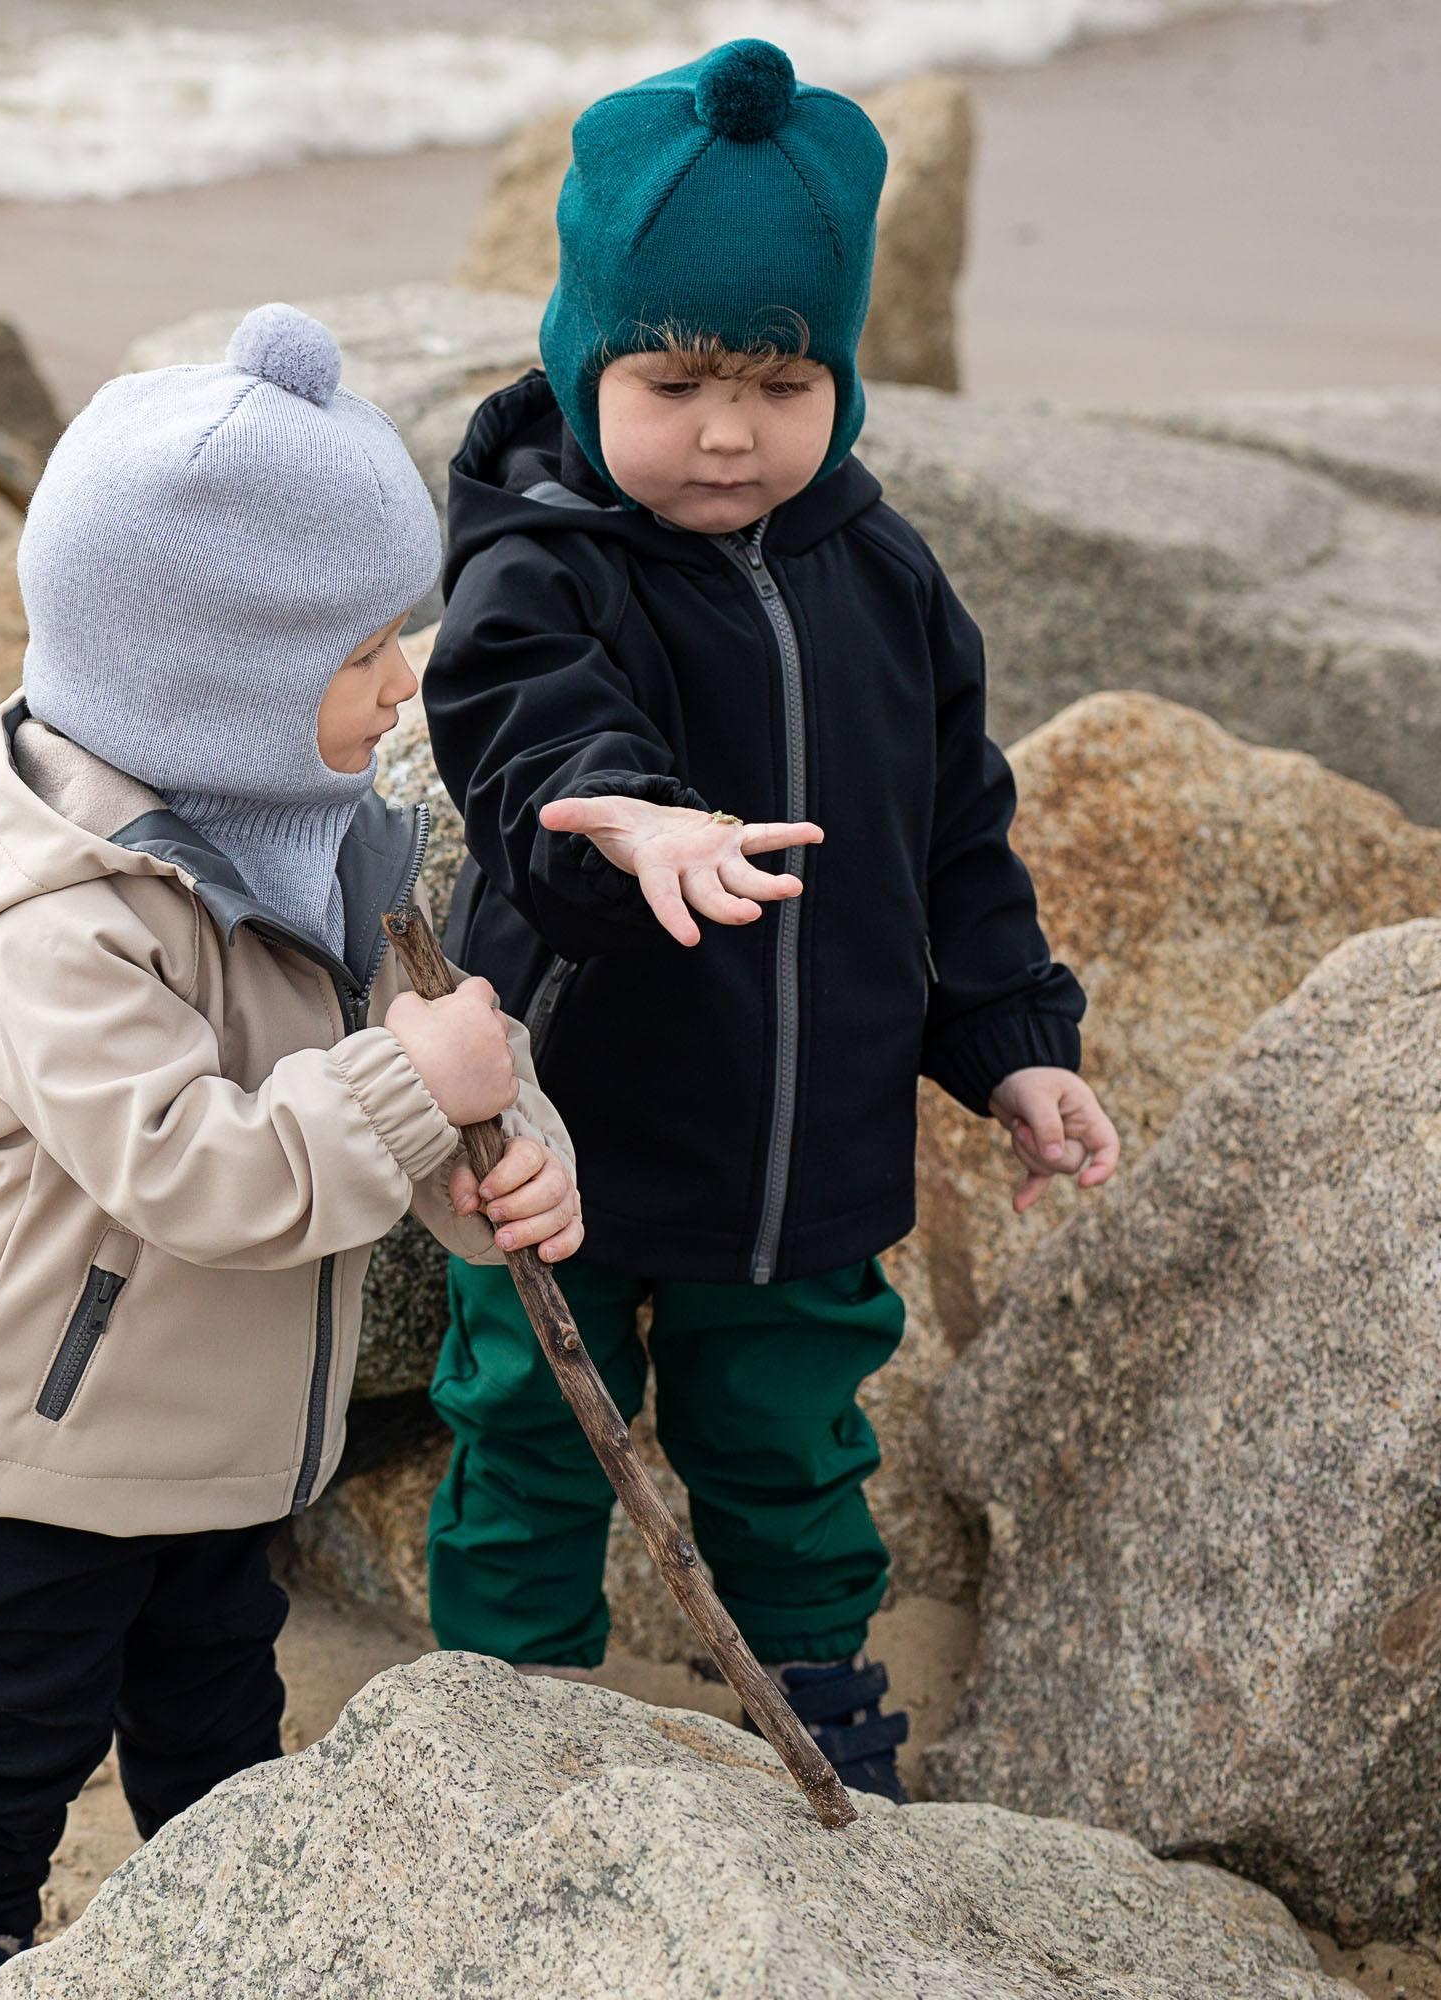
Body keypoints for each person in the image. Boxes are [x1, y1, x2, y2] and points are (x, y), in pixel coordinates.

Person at [421, 39, 1119, 1803]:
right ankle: (509, 1724)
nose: (729, 431)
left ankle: (816, 1698)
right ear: (589, 361)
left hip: (808, 1152)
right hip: (564, 1131)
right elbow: (528, 746)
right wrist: (629, 822)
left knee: (794, 1449)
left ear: (841, 384)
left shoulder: (884, 574)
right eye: (673, 379)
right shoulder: (536, 568)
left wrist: (1015, 1044)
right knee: (527, 1435)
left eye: (782, 383)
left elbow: (957, 836)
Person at [0, 304, 579, 1997]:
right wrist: (415, 1089)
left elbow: (386, 1081)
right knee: (1, 1760)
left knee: (220, 1757)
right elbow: (204, 1167)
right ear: (217, 671)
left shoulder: (304, 832)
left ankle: (216, 1961)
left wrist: (502, 1153)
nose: (403, 676)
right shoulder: (51, 917)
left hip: (229, 1453)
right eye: (360, 649)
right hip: (31, 1463)